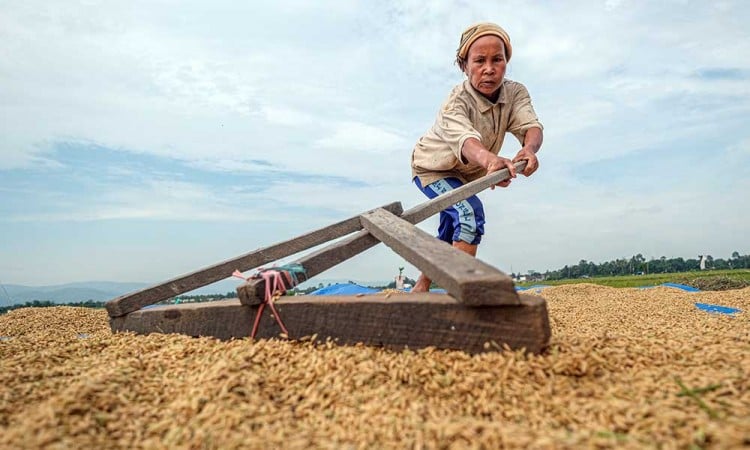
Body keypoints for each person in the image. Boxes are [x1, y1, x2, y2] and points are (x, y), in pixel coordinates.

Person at [410, 22, 544, 293]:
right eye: (479, 61)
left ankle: (420, 288)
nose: (489, 69)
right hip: (431, 170)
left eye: (498, 60)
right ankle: (460, 295)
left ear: (506, 62)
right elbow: (467, 142)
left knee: (449, 229)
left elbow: (531, 125)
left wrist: (528, 149)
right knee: (468, 213)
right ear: (464, 65)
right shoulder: (456, 102)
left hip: (464, 174)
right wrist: (490, 161)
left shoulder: (515, 92)